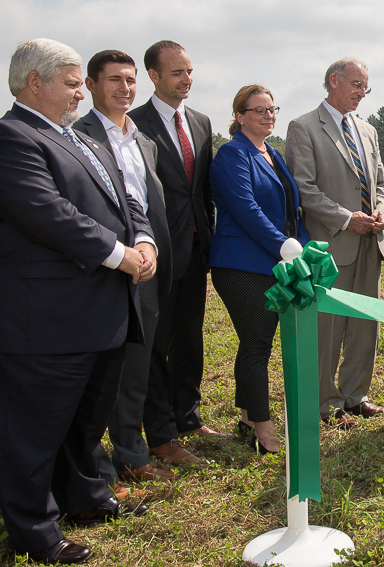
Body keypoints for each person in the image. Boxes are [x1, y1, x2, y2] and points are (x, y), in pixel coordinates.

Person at [0, 38, 151, 564]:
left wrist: (145, 240)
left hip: (98, 312)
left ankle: (85, 498)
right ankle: (34, 531)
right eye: (69, 84)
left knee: (85, 422)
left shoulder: (73, 137)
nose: (78, 95)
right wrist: (119, 255)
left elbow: (125, 197)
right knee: (35, 431)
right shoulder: (13, 137)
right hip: (48, 320)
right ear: (33, 83)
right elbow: (47, 213)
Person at [73, 49, 176, 492]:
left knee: (138, 364)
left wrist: (147, 245)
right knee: (98, 371)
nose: (124, 89)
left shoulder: (144, 141)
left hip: (145, 266)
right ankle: (88, 464)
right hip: (98, 269)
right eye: (114, 80)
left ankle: (131, 454)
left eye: (130, 80)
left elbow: (142, 205)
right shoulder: (76, 136)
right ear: (92, 85)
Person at [130, 40, 228, 466]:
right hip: (156, 255)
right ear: (153, 76)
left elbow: (202, 191)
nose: (186, 80)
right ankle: (161, 434)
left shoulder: (202, 122)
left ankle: (188, 415)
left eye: (189, 72)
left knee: (190, 336)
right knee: (156, 345)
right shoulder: (132, 124)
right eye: (177, 73)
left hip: (195, 248)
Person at [286, 58, 384, 430]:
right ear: (334, 81)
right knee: (327, 329)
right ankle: (325, 402)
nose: (362, 93)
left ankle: (355, 395)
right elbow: (305, 189)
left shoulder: (369, 130)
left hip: (371, 241)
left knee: (366, 325)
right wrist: (348, 219)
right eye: (357, 85)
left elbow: (381, 182)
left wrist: (381, 211)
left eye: (366, 87)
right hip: (332, 245)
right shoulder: (303, 127)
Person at [210, 85, 308, 454]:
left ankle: (249, 416)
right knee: (256, 344)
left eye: (272, 109)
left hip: (272, 262)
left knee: (257, 341)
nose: (268, 115)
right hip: (240, 264)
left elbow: (289, 211)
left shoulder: (272, 153)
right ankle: (263, 429)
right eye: (259, 110)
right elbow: (246, 209)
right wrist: (282, 245)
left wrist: (302, 246)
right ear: (240, 116)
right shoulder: (232, 155)